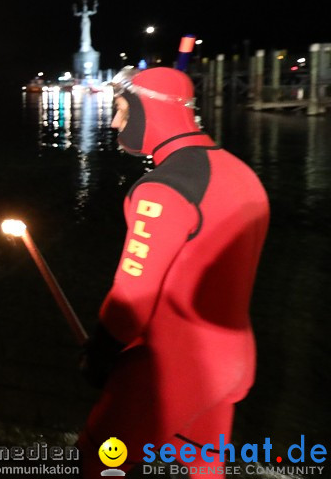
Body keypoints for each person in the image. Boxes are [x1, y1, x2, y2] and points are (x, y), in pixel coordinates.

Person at [78, 67, 270, 475]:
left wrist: (100, 352)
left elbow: (132, 297)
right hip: (230, 360)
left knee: (99, 458)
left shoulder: (162, 190)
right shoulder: (242, 173)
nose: (115, 122)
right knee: (204, 466)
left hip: (172, 368)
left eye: (122, 110)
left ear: (150, 112)